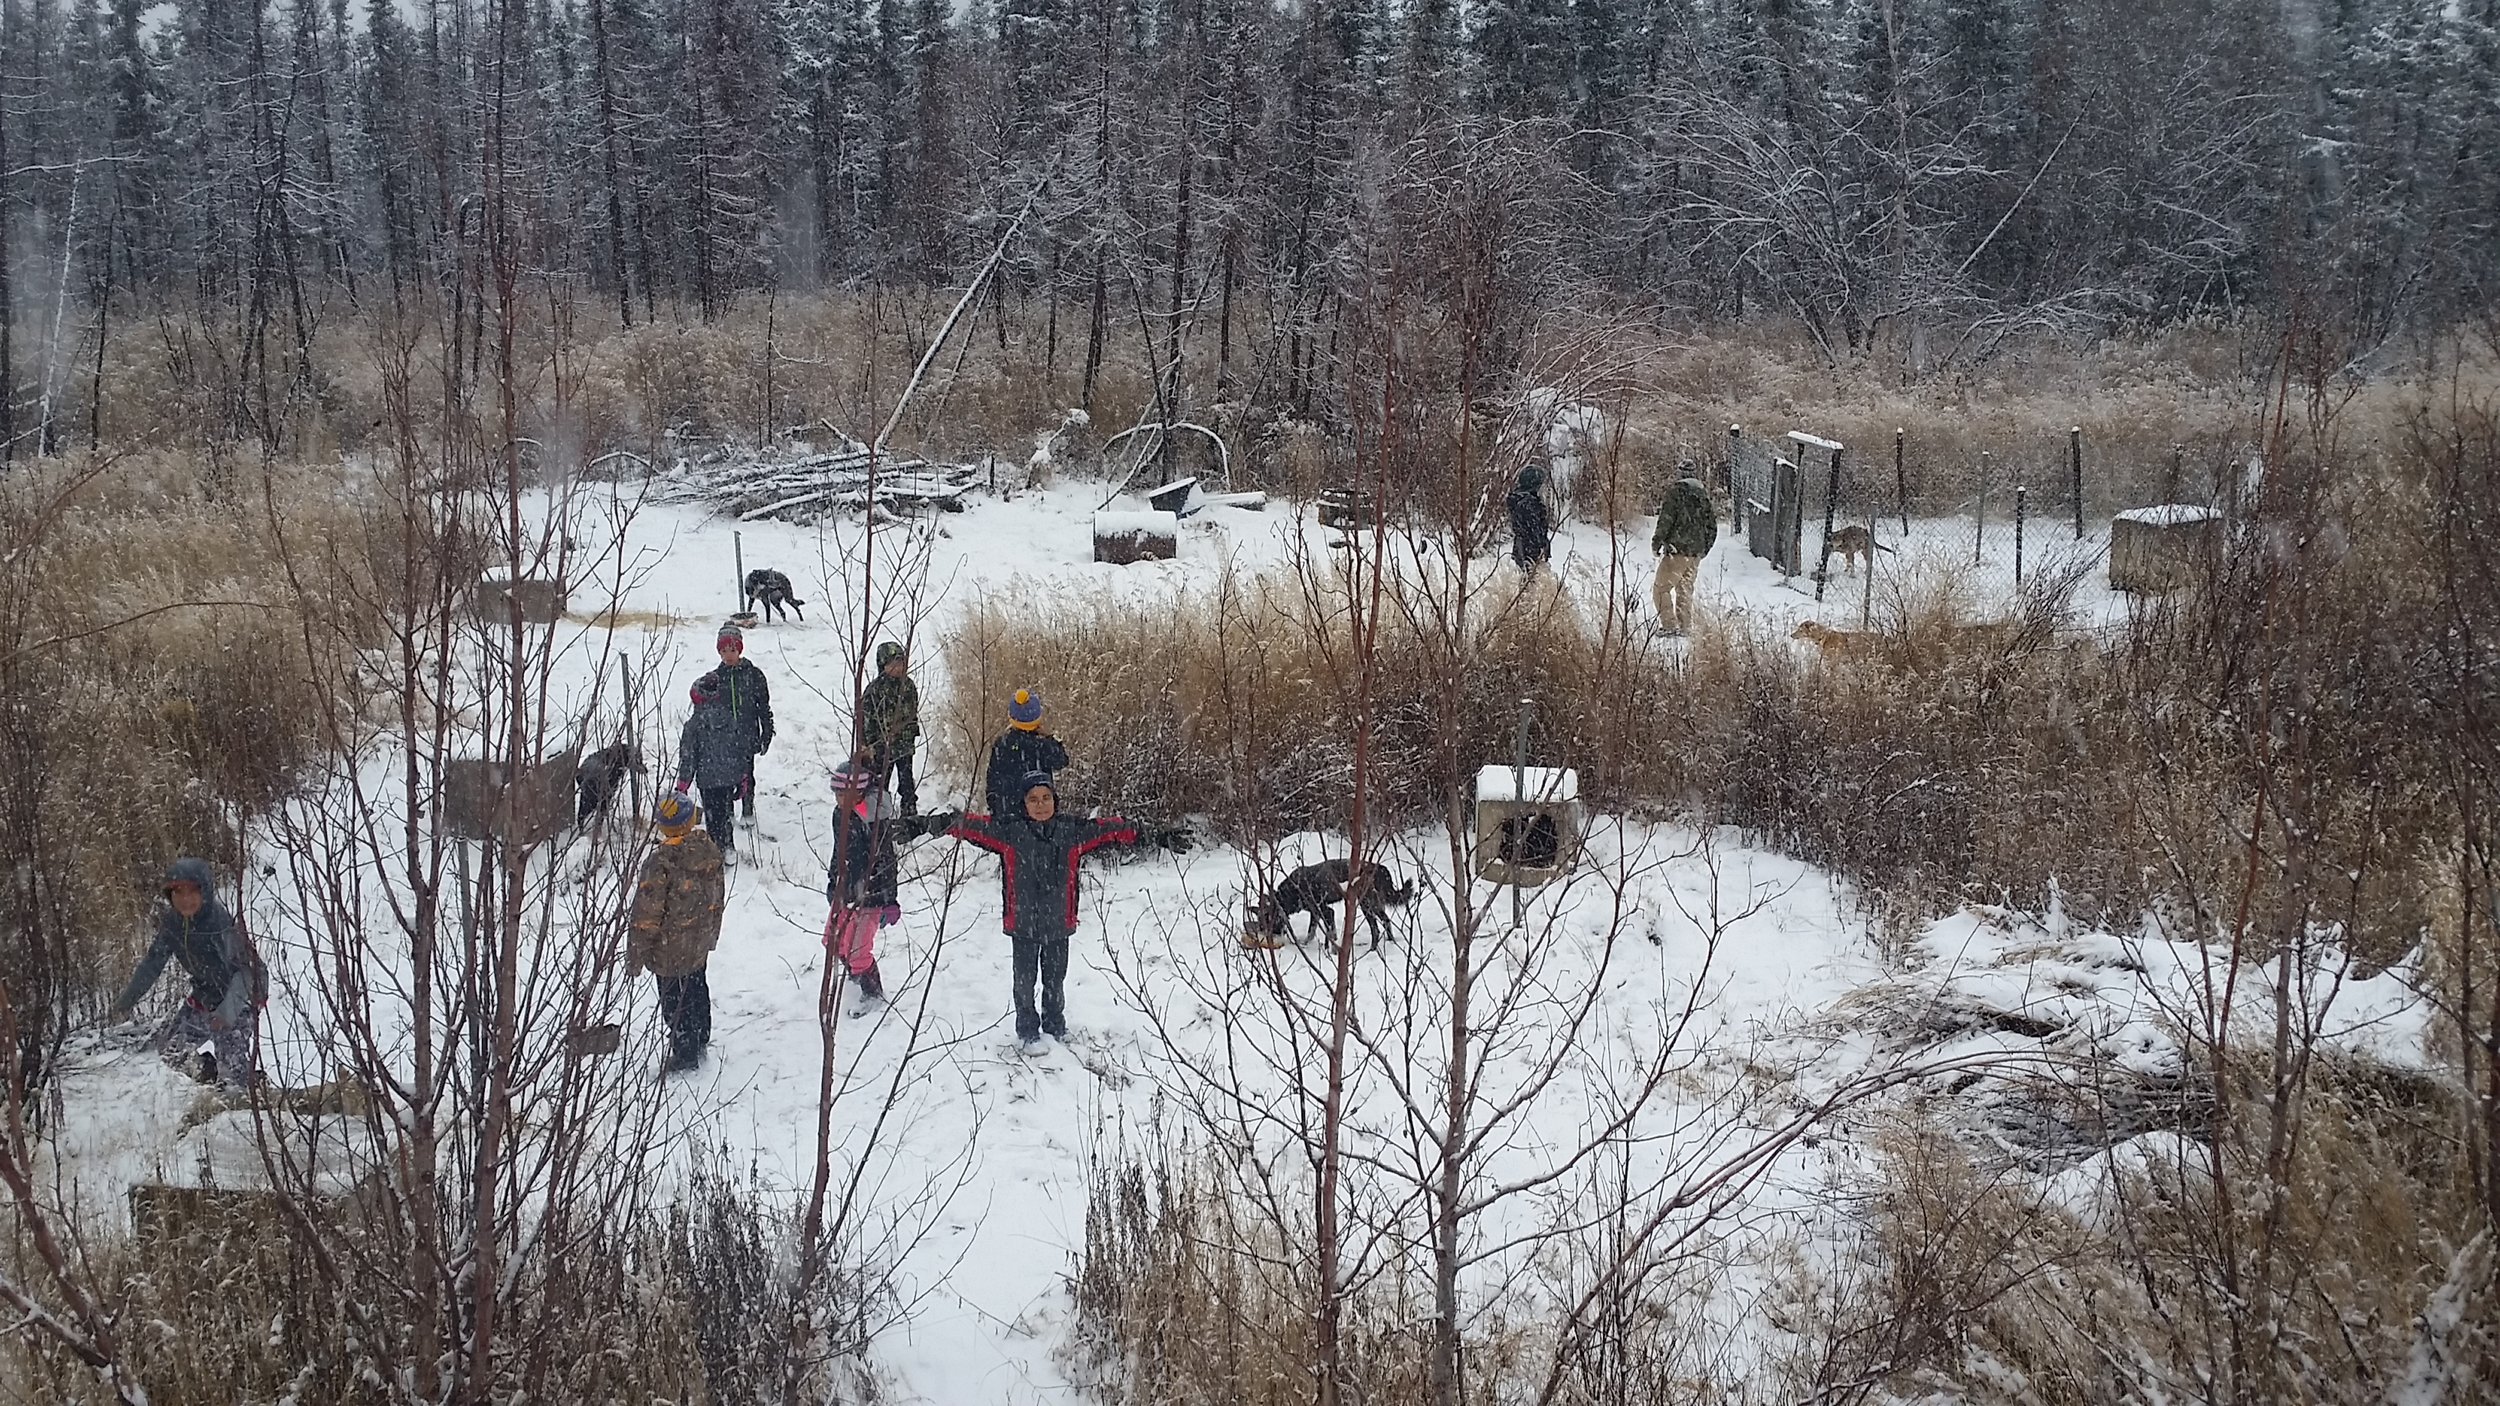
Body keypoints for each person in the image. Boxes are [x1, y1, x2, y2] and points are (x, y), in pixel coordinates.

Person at [921, 773, 1188, 1052]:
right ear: (1023, 803)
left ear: (1055, 800)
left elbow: (1114, 830)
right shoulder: (1010, 832)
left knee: (1055, 982)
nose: (1040, 805)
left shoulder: (1071, 831)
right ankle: (1027, 1032)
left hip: (1059, 923)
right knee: (1024, 985)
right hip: (1022, 925)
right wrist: (933, 823)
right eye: (1033, 799)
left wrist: (1157, 835)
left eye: (1046, 798)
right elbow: (970, 825)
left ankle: (1055, 1026)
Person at [111, 858, 263, 1090]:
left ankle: (256, 1093)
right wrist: (126, 1001)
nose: (185, 899)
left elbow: (248, 971)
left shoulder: (220, 924)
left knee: (233, 1073)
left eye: (193, 891)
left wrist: (227, 1012)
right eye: (178, 892)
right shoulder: (173, 923)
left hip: (239, 999)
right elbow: (153, 963)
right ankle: (209, 1073)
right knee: (173, 1050)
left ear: (206, 891)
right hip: (204, 997)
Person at [628, 793, 726, 1073]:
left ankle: (685, 1053)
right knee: (696, 988)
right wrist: (711, 930)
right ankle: (700, 1036)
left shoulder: (661, 863)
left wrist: (637, 953)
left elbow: (647, 914)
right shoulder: (707, 849)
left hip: (669, 948)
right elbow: (717, 893)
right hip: (698, 941)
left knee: (675, 1002)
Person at [824, 756, 900, 1015]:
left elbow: (887, 860)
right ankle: (857, 974)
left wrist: (890, 900)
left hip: (871, 894)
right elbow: (839, 853)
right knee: (834, 940)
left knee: (858, 950)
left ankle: (873, 991)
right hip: (846, 892)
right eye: (836, 794)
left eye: (843, 794)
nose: (839, 800)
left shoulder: (873, 820)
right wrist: (833, 883)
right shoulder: (840, 814)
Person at [675, 673, 752, 864]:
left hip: (708, 779)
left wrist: (683, 784)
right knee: (725, 811)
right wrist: (743, 777)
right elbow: (739, 749)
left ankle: (714, 849)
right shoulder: (729, 718)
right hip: (728, 777)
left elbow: (688, 757)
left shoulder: (694, 725)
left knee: (712, 815)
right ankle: (728, 846)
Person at [710, 623, 775, 825]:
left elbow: (763, 706)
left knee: (747, 774)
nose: (728, 655)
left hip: (747, 735)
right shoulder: (715, 678)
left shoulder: (753, 675)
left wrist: (767, 732)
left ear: (740, 650)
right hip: (724, 737)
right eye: (724, 651)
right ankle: (728, 810)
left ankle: (747, 809)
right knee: (726, 777)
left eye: (732, 650)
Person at [982, 688, 1069, 819]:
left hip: (1009, 815)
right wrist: (1050, 738)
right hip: (1041, 812)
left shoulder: (1003, 743)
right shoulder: (1043, 743)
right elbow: (1062, 761)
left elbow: (993, 779)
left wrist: (996, 809)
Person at [857, 641, 921, 817]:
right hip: (881, 748)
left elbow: (912, 713)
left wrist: (906, 735)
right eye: (893, 664)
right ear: (883, 665)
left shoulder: (908, 686)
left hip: (904, 746)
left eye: (901, 663)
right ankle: (878, 815)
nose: (898, 668)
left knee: (906, 781)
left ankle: (909, 813)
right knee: (879, 783)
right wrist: (869, 745)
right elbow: (866, 721)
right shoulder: (874, 691)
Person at [1651, 471, 1718, 635]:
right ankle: (1685, 626)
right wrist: (1703, 549)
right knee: (1685, 590)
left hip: (1677, 550)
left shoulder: (1676, 493)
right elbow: (1712, 526)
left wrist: (1657, 541)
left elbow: (1666, 519)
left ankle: (1669, 625)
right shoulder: (1703, 496)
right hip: (1695, 553)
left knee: (1661, 589)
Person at [1508, 461, 1553, 570]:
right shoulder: (1529, 504)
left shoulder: (1519, 499)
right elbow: (1534, 531)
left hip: (1522, 550)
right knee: (1531, 582)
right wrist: (1541, 549)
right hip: (1530, 553)